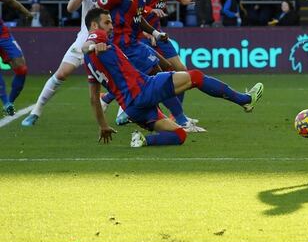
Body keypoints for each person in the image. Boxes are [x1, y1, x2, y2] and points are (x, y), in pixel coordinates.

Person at [81, 8, 264, 147]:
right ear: (95, 26)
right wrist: (92, 46)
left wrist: (103, 125)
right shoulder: (98, 37)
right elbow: (87, 44)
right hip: (144, 89)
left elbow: (92, 98)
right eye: (107, 23)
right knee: (196, 77)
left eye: (111, 22)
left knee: (180, 135)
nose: (111, 26)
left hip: (132, 108)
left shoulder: (88, 64)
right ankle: (245, 100)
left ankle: (143, 141)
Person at [22, 0, 126, 126]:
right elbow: (70, 8)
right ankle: (36, 111)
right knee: (62, 73)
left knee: (121, 74)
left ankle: (124, 112)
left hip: (112, 37)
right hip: (86, 37)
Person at [0, 0, 32, 115]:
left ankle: (10, 102)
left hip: (3, 35)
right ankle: (6, 102)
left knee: (22, 69)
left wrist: (26, 13)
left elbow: (11, 2)